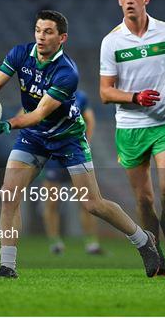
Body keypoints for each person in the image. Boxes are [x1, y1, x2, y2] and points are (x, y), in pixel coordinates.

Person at [0, 10, 160, 278]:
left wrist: (7, 124)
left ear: (62, 37)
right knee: (9, 194)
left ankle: (143, 241)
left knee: (93, 204)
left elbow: (39, 113)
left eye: (48, 32)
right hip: (34, 137)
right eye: (38, 30)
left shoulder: (67, 73)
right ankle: (8, 266)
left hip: (68, 139)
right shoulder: (19, 54)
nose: (41, 36)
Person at [99, 0, 165, 276]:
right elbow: (105, 92)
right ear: (119, 0)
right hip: (130, 127)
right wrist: (135, 97)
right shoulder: (112, 41)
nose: (129, 0)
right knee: (144, 199)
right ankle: (155, 256)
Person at [41, 90, 105, 255]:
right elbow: (26, 114)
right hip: (54, 156)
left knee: (87, 201)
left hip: (74, 154)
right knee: (52, 201)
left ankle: (91, 242)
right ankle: (55, 242)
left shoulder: (80, 97)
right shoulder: (43, 93)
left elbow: (90, 120)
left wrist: (85, 144)